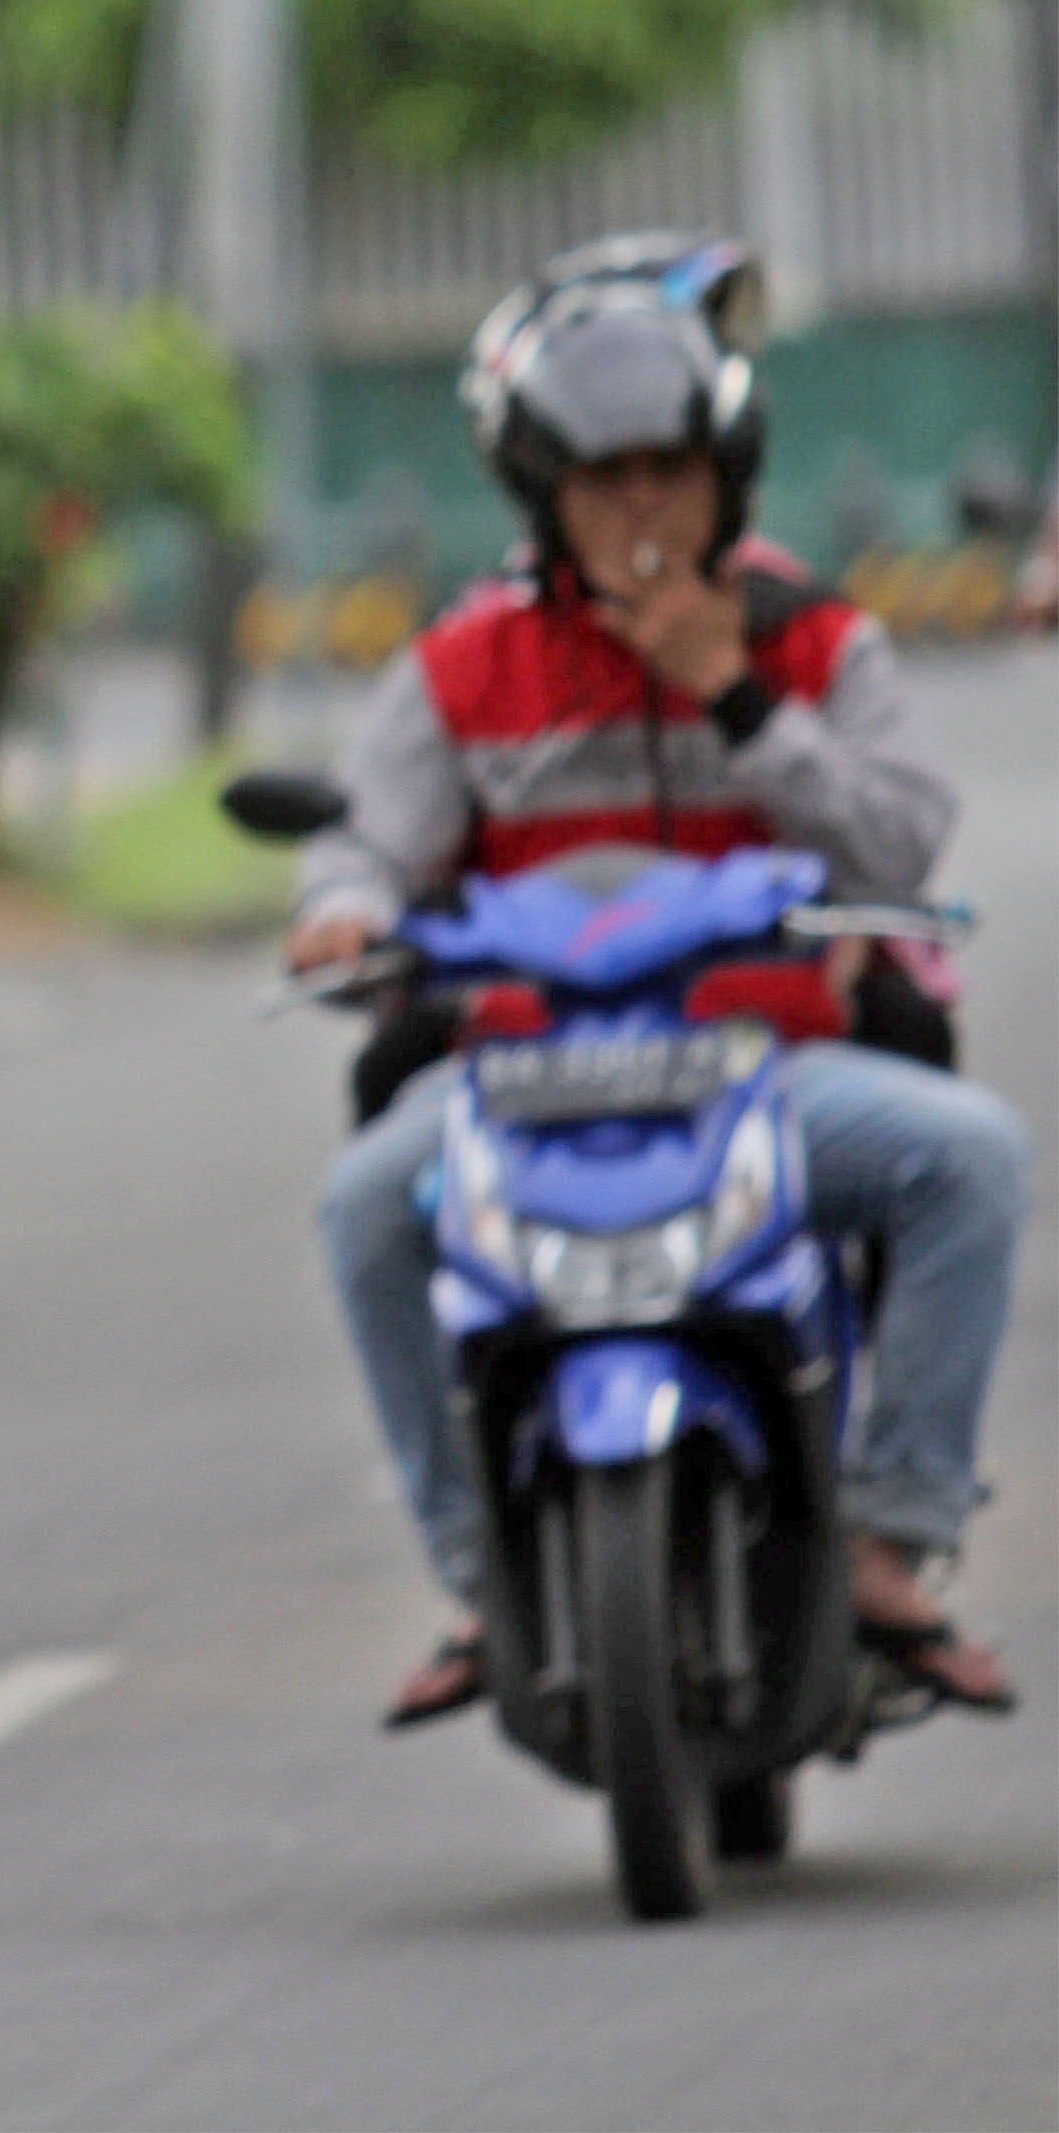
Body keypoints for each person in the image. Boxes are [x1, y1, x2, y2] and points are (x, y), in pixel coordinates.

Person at [290, 244, 1032, 1729]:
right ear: (539, 493)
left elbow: (899, 832)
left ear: (726, 471)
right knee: (366, 1204)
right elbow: (365, 841)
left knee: (969, 1159)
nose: (639, 506)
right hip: (524, 1083)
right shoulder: (461, 661)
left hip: (766, 1074)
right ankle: (471, 1574)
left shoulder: (816, 637)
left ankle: (890, 1534)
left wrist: (735, 693)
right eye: (601, 477)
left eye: (667, 471)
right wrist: (342, 912)